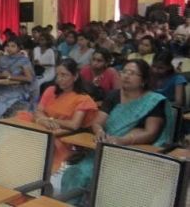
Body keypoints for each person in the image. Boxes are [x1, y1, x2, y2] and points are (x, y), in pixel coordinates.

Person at [61, 59, 174, 205]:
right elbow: (97, 122)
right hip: (103, 150)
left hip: (134, 156)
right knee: (76, 173)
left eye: (132, 73)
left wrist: (123, 140)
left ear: (143, 80)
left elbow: (150, 133)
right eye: (124, 72)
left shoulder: (153, 101)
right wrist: (99, 131)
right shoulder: (114, 96)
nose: (126, 76)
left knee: (115, 182)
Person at [15, 59, 98, 172]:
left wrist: (50, 121)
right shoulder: (51, 90)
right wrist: (44, 121)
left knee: (37, 143)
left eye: (64, 75)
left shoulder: (83, 99)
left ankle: (36, 176)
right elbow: (39, 111)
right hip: (43, 126)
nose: (59, 79)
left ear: (75, 76)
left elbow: (74, 125)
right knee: (19, 124)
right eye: (57, 75)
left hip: (62, 135)